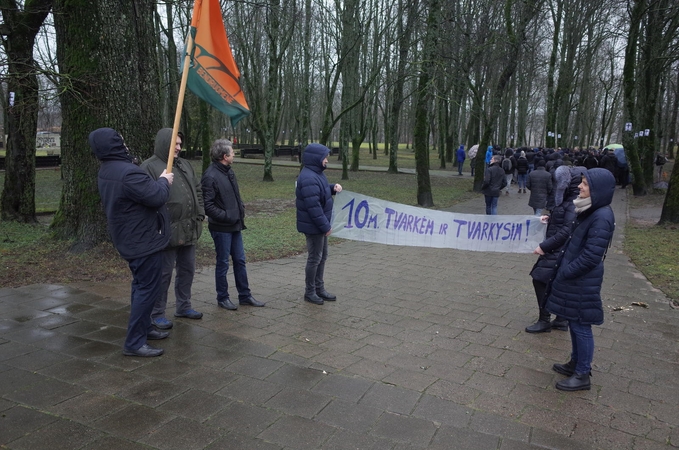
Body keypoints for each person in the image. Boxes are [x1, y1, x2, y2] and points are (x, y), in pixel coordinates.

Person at [90, 127, 173, 357]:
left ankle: (145, 328)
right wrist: (164, 181)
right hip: (143, 241)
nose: (124, 143)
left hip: (131, 239)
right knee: (147, 290)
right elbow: (156, 196)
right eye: (120, 140)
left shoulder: (107, 170)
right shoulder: (128, 173)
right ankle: (134, 343)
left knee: (141, 287)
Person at [545, 168, 616, 391]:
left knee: (581, 326)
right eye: (582, 182)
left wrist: (567, 271)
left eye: (585, 184)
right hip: (577, 279)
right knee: (575, 324)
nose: (580, 186)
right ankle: (575, 362)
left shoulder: (601, 216)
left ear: (598, 189)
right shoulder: (589, 209)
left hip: (582, 280)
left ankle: (583, 374)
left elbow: (591, 256)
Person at [141, 129, 205, 330]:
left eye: (179, 144)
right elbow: (146, 198)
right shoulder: (149, 168)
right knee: (163, 274)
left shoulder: (185, 165)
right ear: (164, 144)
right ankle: (157, 313)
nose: (179, 147)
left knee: (187, 270)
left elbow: (198, 190)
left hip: (189, 228)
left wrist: (200, 213)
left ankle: (184, 306)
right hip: (166, 231)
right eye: (174, 144)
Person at [201, 139, 265, 310]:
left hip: (235, 225)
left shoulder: (229, 171)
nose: (234, 155)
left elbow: (235, 196)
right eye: (232, 152)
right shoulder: (210, 175)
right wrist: (227, 216)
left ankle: (245, 295)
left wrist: (239, 210)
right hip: (221, 228)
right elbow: (208, 206)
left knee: (240, 260)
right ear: (224, 156)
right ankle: (222, 297)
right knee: (223, 262)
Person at [526, 165, 581, 333]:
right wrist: (549, 219)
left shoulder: (572, 203)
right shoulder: (569, 201)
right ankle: (562, 319)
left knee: (540, 279)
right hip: (560, 250)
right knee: (558, 283)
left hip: (558, 250)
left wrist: (544, 246)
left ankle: (545, 320)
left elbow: (567, 230)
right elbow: (565, 222)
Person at [296, 143, 343, 305]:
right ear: (316, 158)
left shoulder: (316, 174)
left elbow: (320, 192)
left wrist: (332, 188)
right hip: (314, 226)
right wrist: (326, 226)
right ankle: (310, 292)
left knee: (322, 257)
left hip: (319, 225)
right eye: (325, 157)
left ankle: (319, 288)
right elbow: (313, 206)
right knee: (315, 258)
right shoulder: (309, 177)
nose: (327, 160)